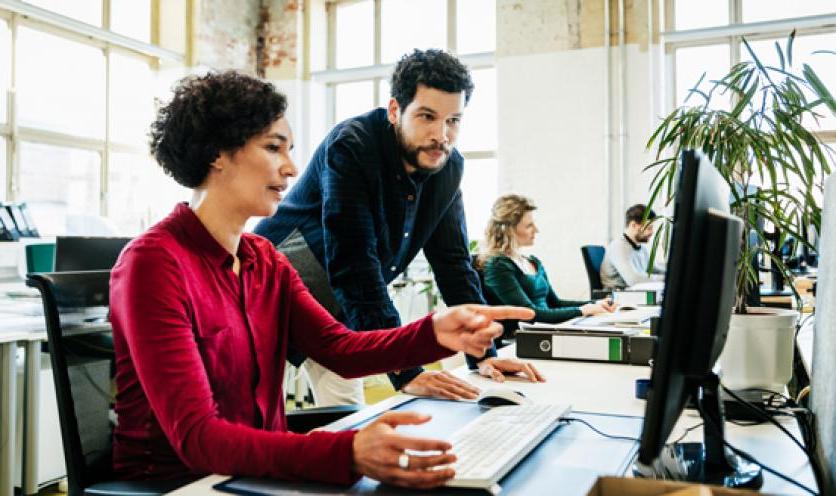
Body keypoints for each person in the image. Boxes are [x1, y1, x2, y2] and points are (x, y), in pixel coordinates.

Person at [110, 70, 534, 487]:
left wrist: (435, 332)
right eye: (275, 149)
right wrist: (346, 452)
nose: (292, 168)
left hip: (254, 474)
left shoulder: (262, 258)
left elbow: (339, 349)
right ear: (218, 153)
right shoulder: (154, 263)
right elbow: (199, 439)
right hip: (180, 484)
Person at [254, 49, 542, 405]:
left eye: (453, 120)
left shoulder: (447, 168)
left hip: (345, 314)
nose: (442, 135)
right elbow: (354, 263)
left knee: (346, 420)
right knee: (249, 418)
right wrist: (407, 371)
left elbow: (453, 263)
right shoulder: (353, 145)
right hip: (272, 297)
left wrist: (484, 355)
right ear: (395, 111)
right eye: (427, 117)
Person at [479, 194, 615, 323]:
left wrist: (595, 304)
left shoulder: (532, 262)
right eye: (529, 226)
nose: (536, 230)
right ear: (509, 230)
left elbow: (554, 303)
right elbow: (530, 313)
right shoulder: (498, 265)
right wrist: (582, 310)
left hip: (545, 329)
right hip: (523, 337)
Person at [600, 204, 666, 289]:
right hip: (618, 296)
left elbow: (653, 269)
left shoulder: (641, 248)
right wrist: (666, 279)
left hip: (634, 293)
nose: (652, 232)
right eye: (649, 228)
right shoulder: (618, 247)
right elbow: (633, 280)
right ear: (633, 225)